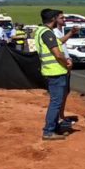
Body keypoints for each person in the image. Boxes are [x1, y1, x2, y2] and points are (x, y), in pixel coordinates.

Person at [34, 9, 72, 140]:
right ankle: (48, 131)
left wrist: (71, 34)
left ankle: (54, 127)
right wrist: (66, 62)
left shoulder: (41, 31)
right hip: (55, 71)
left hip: (51, 71)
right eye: (58, 18)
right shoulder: (47, 33)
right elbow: (57, 53)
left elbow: (58, 43)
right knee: (56, 102)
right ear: (53, 19)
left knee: (56, 100)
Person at [53, 13, 80, 126]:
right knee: (60, 94)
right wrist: (71, 33)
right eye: (61, 18)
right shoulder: (54, 32)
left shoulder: (60, 30)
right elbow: (59, 43)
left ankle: (61, 116)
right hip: (60, 66)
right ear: (55, 19)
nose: (64, 19)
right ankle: (58, 118)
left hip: (65, 65)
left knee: (65, 93)